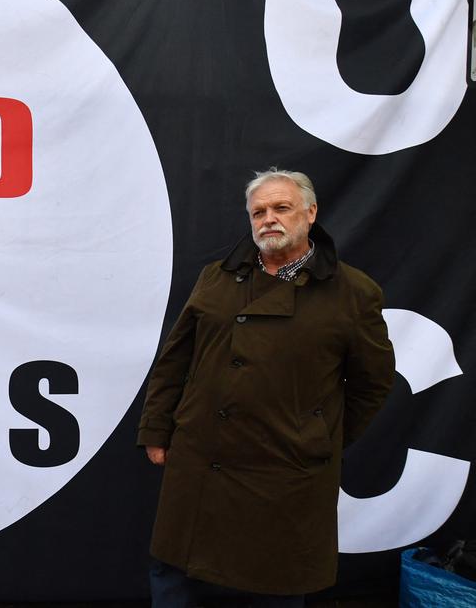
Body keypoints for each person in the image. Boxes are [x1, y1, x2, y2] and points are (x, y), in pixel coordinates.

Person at [137, 168, 395, 606]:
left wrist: (319, 433)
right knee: (176, 571)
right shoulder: (216, 278)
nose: (268, 219)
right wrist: (156, 429)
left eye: (281, 208)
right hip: (201, 456)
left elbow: (373, 383)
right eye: (258, 212)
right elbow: (174, 359)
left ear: (310, 213)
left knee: (275, 581)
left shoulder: (352, 292)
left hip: (286, 465)